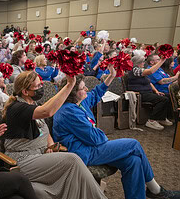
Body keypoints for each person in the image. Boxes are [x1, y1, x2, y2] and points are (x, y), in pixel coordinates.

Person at [53, 67, 180, 199]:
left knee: (133, 160)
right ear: (72, 93)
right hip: (83, 152)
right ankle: (156, 190)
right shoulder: (69, 111)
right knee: (134, 144)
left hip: (91, 145)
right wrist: (100, 133)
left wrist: (111, 76)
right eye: (83, 88)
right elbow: (96, 139)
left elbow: (96, 93)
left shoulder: (78, 101)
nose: (86, 89)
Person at [3, 71, 106, 199]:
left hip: (40, 155)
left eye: (41, 84)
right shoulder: (17, 108)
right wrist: (69, 85)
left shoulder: (33, 104)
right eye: (37, 86)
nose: (41, 88)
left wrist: (51, 145)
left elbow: (45, 130)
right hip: (23, 159)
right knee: (72, 160)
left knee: (73, 172)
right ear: (25, 91)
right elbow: (48, 111)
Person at [127, 55, 173, 130]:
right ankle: (151, 120)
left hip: (147, 92)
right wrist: (162, 60)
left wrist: (156, 91)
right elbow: (150, 71)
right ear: (137, 63)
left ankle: (161, 118)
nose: (144, 63)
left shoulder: (141, 69)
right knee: (163, 100)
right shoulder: (135, 70)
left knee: (167, 96)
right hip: (140, 93)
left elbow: (149, 83)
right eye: (142, 61)